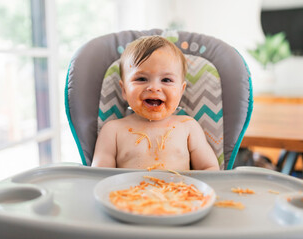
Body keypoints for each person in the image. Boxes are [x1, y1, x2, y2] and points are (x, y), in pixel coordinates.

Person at [92, 36, 219, 171]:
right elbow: (99, 175)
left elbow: (209, 168)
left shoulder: (188, 127)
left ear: (181, 91)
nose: (154, 87)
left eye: (166, 80)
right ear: (124, 90)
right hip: (128, 191)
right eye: (141, 79)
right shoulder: (113, 131)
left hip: (180, 191)